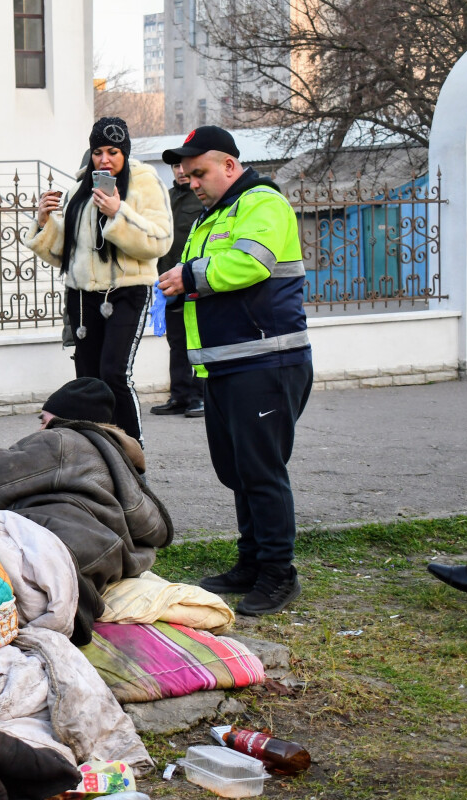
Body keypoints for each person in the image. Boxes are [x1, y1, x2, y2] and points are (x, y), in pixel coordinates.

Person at [158, 126, 313, 616]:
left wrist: (189, 276)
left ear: (229, 165)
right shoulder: (212, 216)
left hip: (266, 360)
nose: (191, 182)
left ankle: (278, 574)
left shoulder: (262, 203)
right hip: (226, 365)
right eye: (186, 174)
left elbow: (252, 264)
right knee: (238, 472)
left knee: (262, 472)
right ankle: (250, 562)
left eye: (198, 172)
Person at [0, 377, 174, 644]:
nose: (40, 426)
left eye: (43, 418)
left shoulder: (62, 441)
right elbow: (154, 529)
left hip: (67, 548)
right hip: (106, 559)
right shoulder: (117, 457)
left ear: (62, 419)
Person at [27, 116, 173, 445]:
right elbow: (68, 252)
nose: (104, 159)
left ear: (125, 152)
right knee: (88, 381)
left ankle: (133, 454)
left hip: (126, 291)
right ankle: (94, 455)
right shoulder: (81, 187)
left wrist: (118, 213)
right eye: (97, 152)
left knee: (114, 374)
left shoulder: (144, 182)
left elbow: (160, 242)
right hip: (83, 296)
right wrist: (44, 220)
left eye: (112, 151)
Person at [150, 162, 206, 418]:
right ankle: (180, 396)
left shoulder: (203, 196)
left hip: (195, 278)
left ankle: (199, 396)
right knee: (176, 342)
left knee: (198, 340)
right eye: (175, 166)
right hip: (169, 280)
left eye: (185, 166)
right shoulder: (167, 198)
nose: (181, 171)